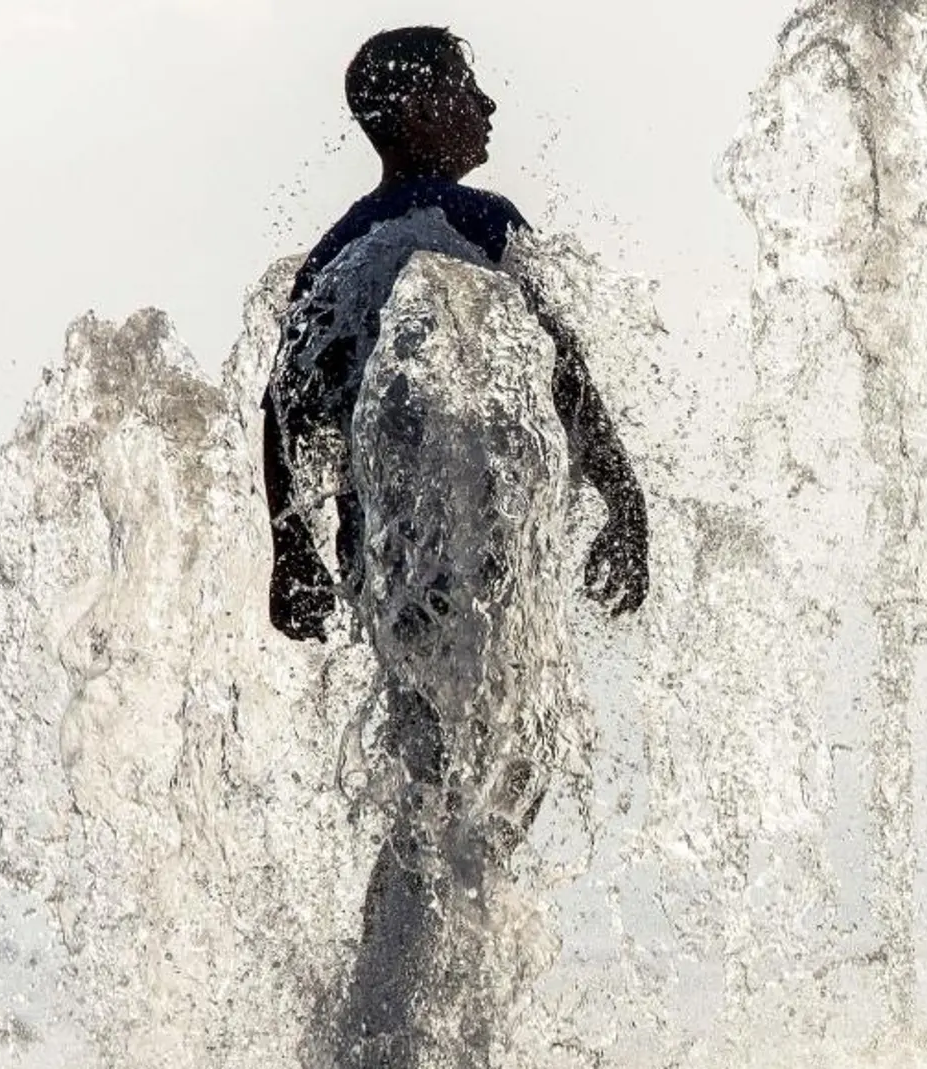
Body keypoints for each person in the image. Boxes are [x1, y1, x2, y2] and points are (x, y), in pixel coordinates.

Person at [257, 26, 649, 1062]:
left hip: (386, 559)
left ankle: (385, 1011)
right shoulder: (468, 221)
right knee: (498, 767)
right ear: (420, 104)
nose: (488, 108)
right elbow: (560, 367)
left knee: (440, 770)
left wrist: (292, 548)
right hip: (459, 558)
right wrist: (625, 497)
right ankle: (405, 1019)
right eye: (470, 88)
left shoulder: (345, 242)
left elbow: (287, 398)